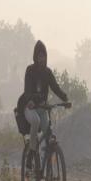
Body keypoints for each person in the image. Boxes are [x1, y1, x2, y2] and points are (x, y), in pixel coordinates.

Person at [17, 40, 69, 169]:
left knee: (49, 138)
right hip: (30, 108)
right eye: (39, 56)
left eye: (44, 56)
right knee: (35, 121)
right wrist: (30, 100)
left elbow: (55, 87)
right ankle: (31, 153)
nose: (42, 59)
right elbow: (27, 90)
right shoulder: (30, 70)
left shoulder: (47, 72)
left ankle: (50, 178)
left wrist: (65, 99)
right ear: (35, 56)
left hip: (42, 108)